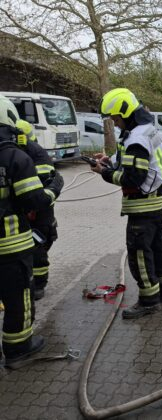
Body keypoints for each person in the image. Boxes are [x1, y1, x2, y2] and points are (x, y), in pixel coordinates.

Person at [92, 88, 162, 319]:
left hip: (142, 207)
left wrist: (104, 173)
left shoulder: (136, 138)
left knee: (140, 256)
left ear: (126, 114)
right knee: (158, 249)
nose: (116, 124)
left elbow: (133, 179)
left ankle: (148, 301)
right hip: (156, 203)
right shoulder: (145, 129)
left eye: (116, 119)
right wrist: (110, 161)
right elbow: (133, 160)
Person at [0, 95, 64, 367]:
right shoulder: (14, 157)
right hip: (10, 246)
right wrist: (54, 188)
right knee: (18, 299)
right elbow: (34, 201)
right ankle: (19, 348)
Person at [15, 119, 60, 301]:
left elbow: (44, 185)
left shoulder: (37, 153)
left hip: (40, 211)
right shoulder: (16, 153)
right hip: (26, 209)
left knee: (38, 245)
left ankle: (39, 284)